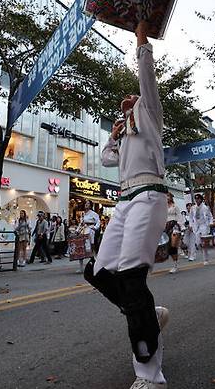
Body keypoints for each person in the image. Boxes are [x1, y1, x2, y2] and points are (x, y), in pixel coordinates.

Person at [87, 21, 169, 389]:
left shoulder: (150, 117)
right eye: (125, 106)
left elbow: (146, 79)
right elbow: (104, 158)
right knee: (99, 271)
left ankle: (150, 374)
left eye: (131, 102)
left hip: (149, 195)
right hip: (123, 202)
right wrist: (115, 132)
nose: (127, 103)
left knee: (132, 278)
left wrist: (141, 41)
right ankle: (149, 315)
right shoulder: (124, 140)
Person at [190, 194, 213, 265]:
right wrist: (191, 225)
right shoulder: (193, 208)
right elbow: (190, 217)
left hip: (204, 225)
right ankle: (205, 251)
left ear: (201, 199)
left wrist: (211, 223)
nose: (197, 200)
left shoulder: (205, 207)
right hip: (196, 226)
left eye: (198, 199)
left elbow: (210, 216)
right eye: (196, 199)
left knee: (203, 242)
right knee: (197, 243)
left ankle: (205, 259)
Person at [78, 200, 100, 273]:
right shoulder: (83, 214)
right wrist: (77, 231)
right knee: (80, 249)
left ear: (90, 205)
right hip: (83, 231)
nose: (86, 205)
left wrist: (95, 228)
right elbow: (81, 223)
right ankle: (81, 268)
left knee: (90, 249)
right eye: (85, 203)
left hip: (90, 232)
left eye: (88, 204)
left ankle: (95, 266)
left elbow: (98, 221)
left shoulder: (94, 214)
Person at [165, 192, 181, 273]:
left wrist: (180, 228)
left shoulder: (175, 207)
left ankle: (175, 265)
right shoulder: (163, 207)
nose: (167, 197)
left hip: (174, 226)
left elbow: (179, 217)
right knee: (168, 246)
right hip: (166, 227)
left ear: (171, 197)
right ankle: (175, 263)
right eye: (166, 196)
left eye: (168, 196)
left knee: (173, 245)